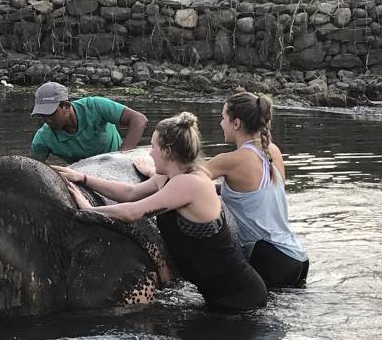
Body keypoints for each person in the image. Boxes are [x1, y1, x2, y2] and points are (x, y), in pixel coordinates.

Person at [56, 113, 268, 312]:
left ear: (167, 152)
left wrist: (91, 211)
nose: (149, 152)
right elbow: (130, 193)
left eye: (154, 146)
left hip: (240, 297)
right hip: (218, 295)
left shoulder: (189, 184)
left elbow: (132, 212)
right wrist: (83, 178)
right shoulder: (168, 177)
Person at [206, 91, 309, 288]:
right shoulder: (273, 151)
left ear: (236, 124)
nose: (220, 123)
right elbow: (259, 195)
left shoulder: (231, 160)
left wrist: (153, 172)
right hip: (297, 256)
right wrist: (219, 189)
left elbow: (187, 181)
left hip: (272, 259)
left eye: (223, 117)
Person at [30, 82, 148, 163]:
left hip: (115, 162)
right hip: (82, 174)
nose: (47, 120)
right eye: (43, 115)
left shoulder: (95, 106)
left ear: (66, 106)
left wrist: (123, 156)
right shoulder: (43, 138)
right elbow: (34, 169)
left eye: (51, 114)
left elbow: (139, 120)